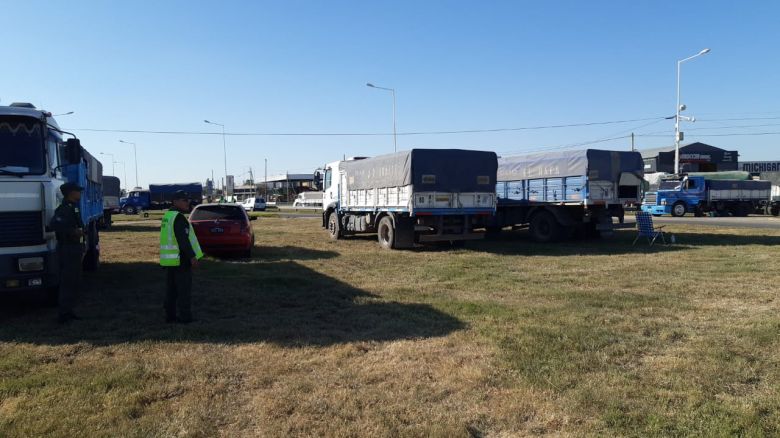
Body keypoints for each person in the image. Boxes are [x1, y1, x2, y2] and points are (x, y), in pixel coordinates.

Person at [159, 191, 204, 323]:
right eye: (184, 200)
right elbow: (183, 240)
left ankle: (170, 316)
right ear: (175, 201)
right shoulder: (178, 218)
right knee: (183, 291)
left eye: (188, 200)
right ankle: (186, 318)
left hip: (170, 261)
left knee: (171, 291)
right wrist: (192, 257)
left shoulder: (168, 216)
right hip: (181, 260)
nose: (187, 202)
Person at [50, 182, 85, 324]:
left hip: (75, 248)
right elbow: (55, 224)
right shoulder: (64, 209)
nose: (80, 193)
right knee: (68, 282)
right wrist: (73, 232)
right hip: (68, 249)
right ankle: (63, 313)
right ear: (71, 192)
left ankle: (69, 310)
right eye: (78, 191)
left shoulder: (73, 207)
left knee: (74, 281)